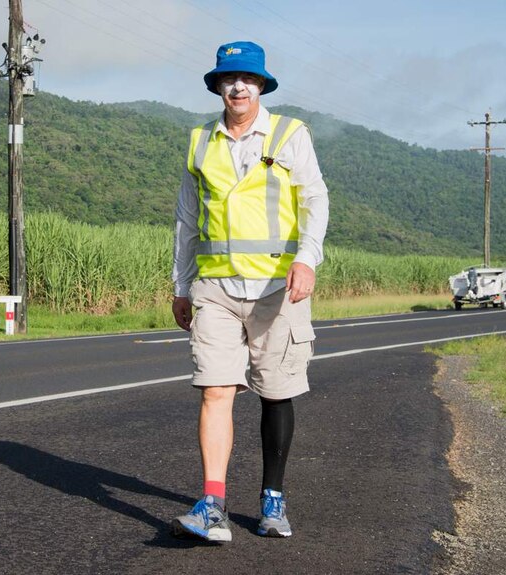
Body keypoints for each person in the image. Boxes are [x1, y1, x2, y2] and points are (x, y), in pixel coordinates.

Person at [170, 41, 329, 543]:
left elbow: (315, 200)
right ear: (217, 85)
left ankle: (272, 500)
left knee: (275, 392)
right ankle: (213, 504)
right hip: (214, 287)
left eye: (248, 78)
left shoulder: (290, 134)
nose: (238, 86)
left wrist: (307, 259)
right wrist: (180, 286)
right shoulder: (199, 142)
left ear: (261, 85)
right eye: (229, 77)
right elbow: (185, 223)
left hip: (275, 288)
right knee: (216, 389)